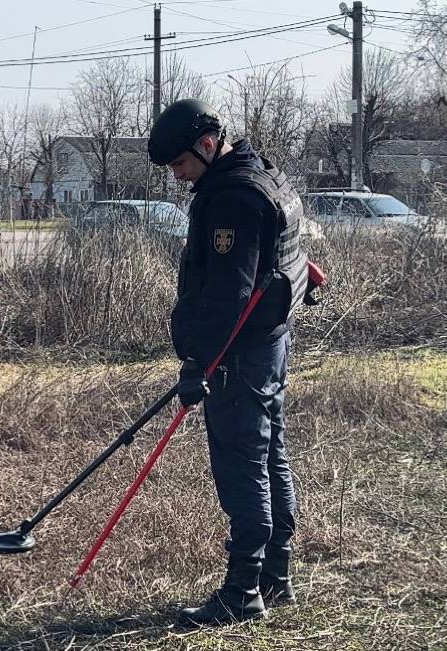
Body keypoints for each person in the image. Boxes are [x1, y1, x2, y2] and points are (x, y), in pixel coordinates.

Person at [147, 99, 313, 625]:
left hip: (239, 354)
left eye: (180, 164)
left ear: (206, 144)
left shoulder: (232, 199)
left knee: (242, 463)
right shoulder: (263, 174)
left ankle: (244, 590)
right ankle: (276, 576)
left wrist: (199, 362)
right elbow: (285, 252)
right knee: (269, 456)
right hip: (270, 344)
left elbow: (227, 292)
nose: (178, 176)